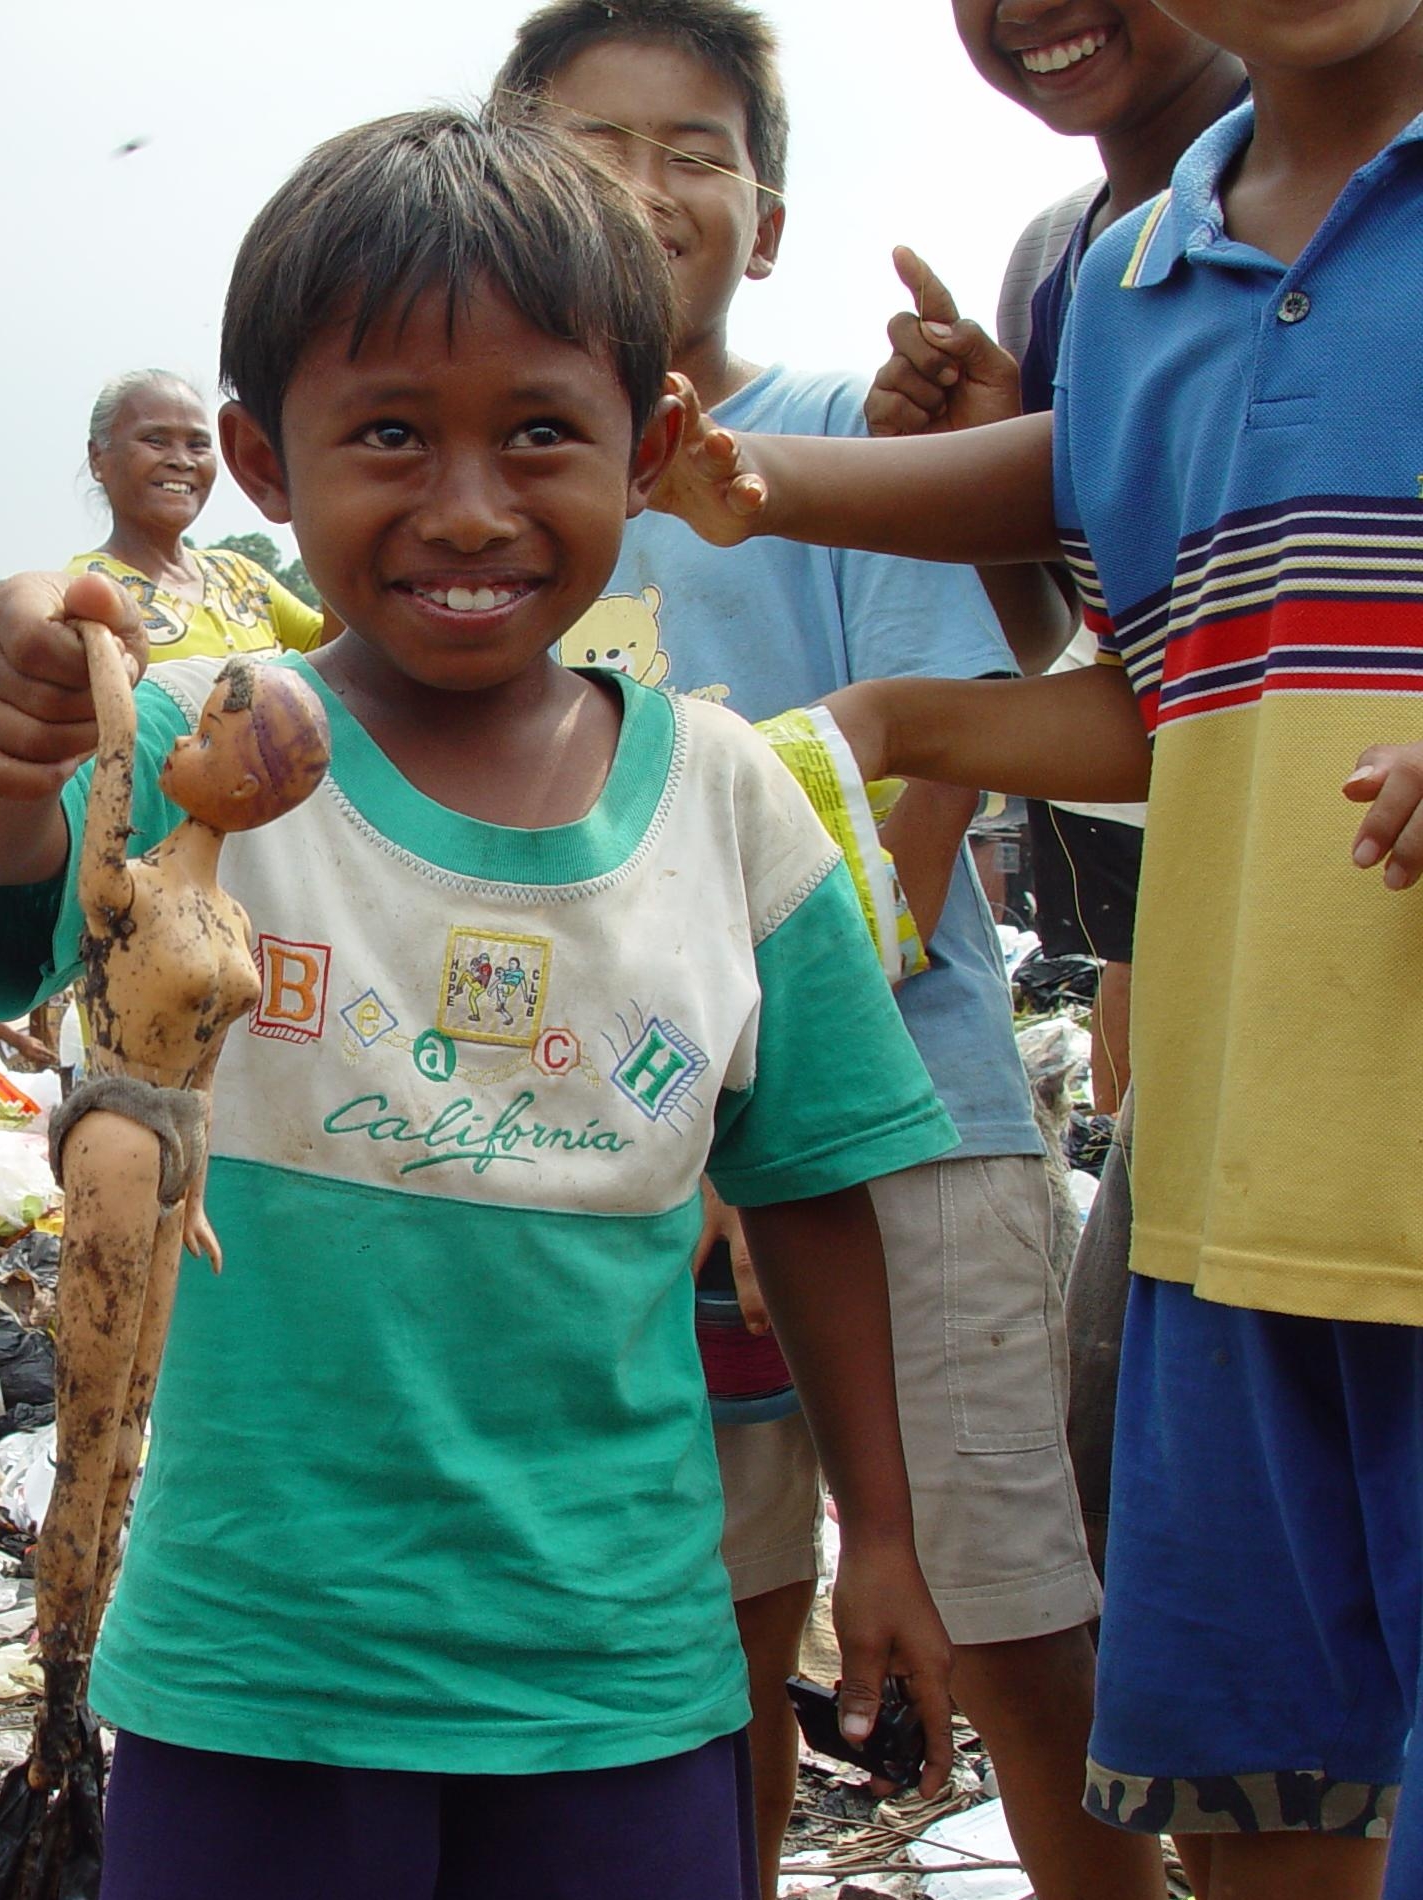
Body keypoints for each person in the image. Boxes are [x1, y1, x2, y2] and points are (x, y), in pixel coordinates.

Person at [0, 106, 961, 1900]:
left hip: (619, 1684)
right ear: (263, 456)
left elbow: (819, 1198)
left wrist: (890, 1540)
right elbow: (0, 882)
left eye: (542, 432)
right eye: (388, 432)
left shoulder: (729, 805)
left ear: (655, 447)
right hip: (254, 1677)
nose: (467, 504)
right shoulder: (198, 750)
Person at [648, 4, 1423, 1891]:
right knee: (1267, 1801)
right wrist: (894, 694)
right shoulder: (1146, 278)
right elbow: (1166, 697)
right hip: (1229, 1205)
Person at [492, 9, 1147, 1896]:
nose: (643, 186)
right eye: (590, 144)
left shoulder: (842, 447)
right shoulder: (490, 487)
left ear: (767, 221)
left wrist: (740, 1106)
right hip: (570, 1156)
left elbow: (920, 786)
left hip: (895, 1128)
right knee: (702, 1654)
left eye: (694, 149)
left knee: (1010, 1639)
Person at [866, 5, 1248, 1123]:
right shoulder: (1057, 262)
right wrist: (974, 464)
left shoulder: (1347, 186)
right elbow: (1084, 644)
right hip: (1184, 883)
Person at [70, 369, 331, 664]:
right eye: (156, 440)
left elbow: (341, 652)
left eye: (197, 445)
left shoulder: (242, 578)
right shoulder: (84, 589)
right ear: (97, 458)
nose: (182, 461)